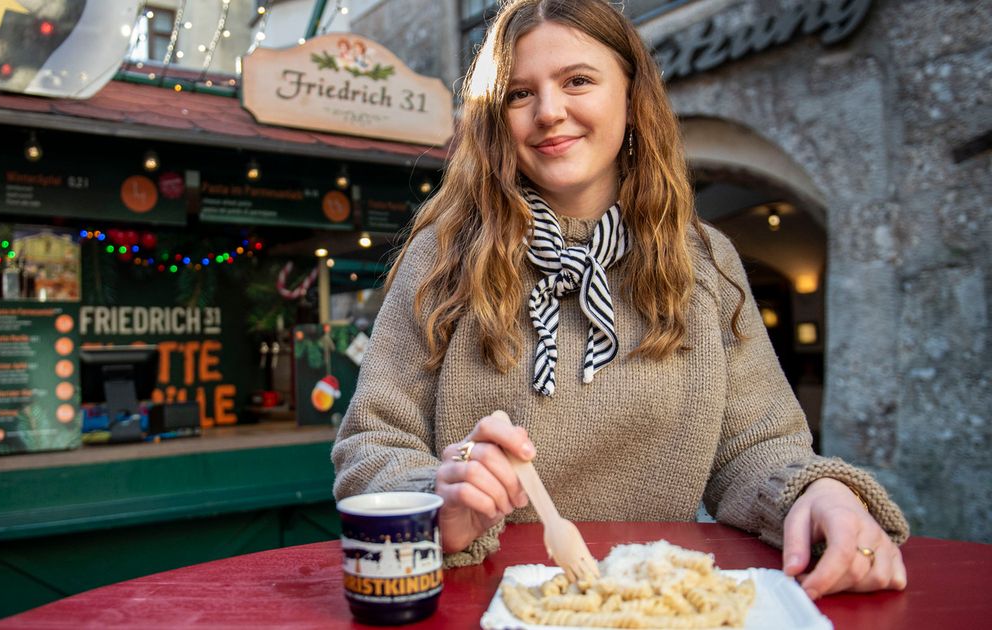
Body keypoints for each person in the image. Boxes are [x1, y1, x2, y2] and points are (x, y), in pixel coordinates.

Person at [331, 0, 909, 600]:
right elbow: (371, 445)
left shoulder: (705, 261)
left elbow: (756, 447)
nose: (550, 112)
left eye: (577, 81)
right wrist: (436, 502)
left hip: (652, 600)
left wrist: (815, 492)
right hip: (476, 600)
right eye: (519, 94)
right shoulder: (443, 257)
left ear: (632, 98)